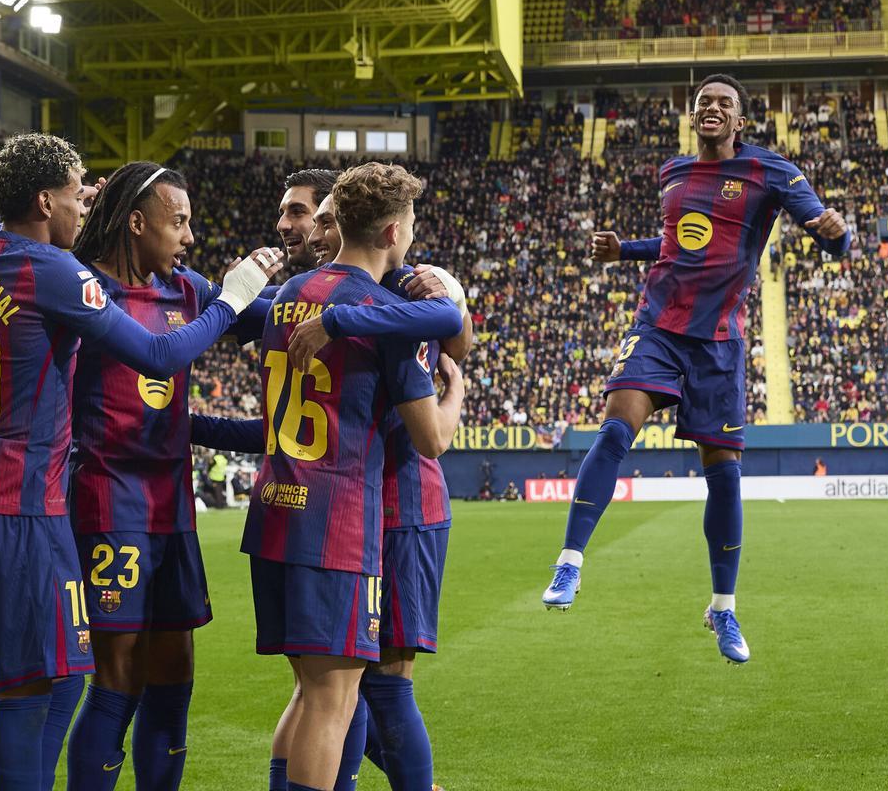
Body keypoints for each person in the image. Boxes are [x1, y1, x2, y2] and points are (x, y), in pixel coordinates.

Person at [0, 134, 281, 791]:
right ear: (43, 199)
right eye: (74, 187)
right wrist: (234, 293)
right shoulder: (64, 277)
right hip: (50, 503)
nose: (85, 195)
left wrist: (360, 294)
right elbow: (160, 357)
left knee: (71, 681)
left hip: (31, 497)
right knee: (48, 686)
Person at [541, 73, 850, 665]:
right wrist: (622, 251)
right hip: (657, 326)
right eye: (704, 101)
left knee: (724, 476)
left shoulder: (772, 172)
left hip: (719, 342)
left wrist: (837, 235)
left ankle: (724, 607)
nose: (711, 107)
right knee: (613, 431)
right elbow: (675, 242)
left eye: (723, 103)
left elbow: (823, 231)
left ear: (740, 120)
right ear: (693, 114)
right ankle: (569, 562)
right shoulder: (673, 172)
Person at [241, 162, 464, 791]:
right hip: (336, 521)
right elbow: (430, 439)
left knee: (308, 693)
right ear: (393, 232)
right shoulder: (385, 312)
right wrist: (457, 392)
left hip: (275, 507)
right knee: (334, 703)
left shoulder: (288, 297)